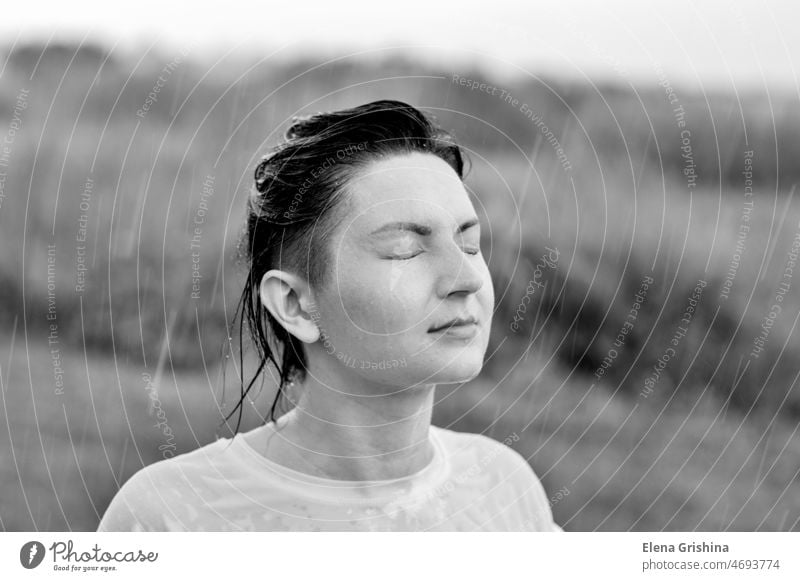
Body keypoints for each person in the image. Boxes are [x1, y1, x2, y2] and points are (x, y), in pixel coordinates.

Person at [97, 100, 563, 531]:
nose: (468, 277)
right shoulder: (172, 516)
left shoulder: (504, 490)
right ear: (295, 304)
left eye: (468, 243)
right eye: (405, 250)